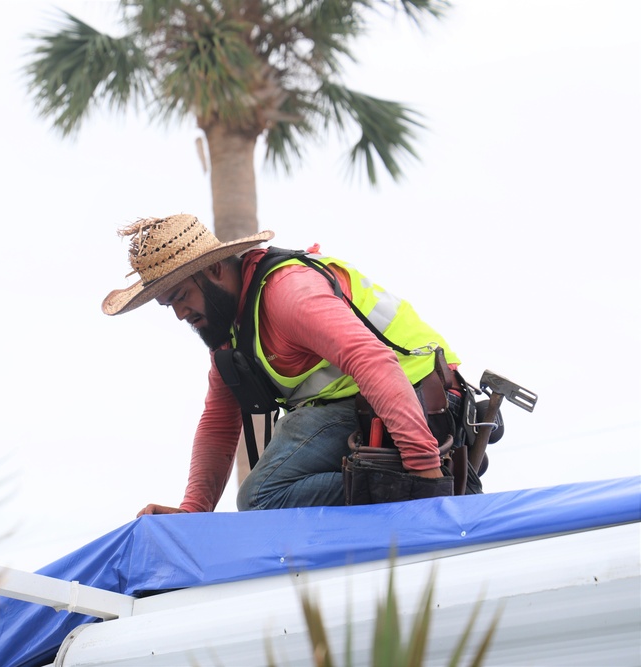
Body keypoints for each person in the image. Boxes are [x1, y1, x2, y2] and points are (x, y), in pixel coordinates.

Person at [101, 213, 480, 517]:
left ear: (215, 270)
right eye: (169, 304)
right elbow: (218, 423)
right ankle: (400, 488)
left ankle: (417, 483)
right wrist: (193, 512)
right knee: (267, 490)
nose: (181, 313)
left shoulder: (287, 293)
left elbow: (373, 361)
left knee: (262, 498)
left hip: (419, 398)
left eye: (182, 296)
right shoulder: (231, 334)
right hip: (372, 408)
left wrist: (425, 473)